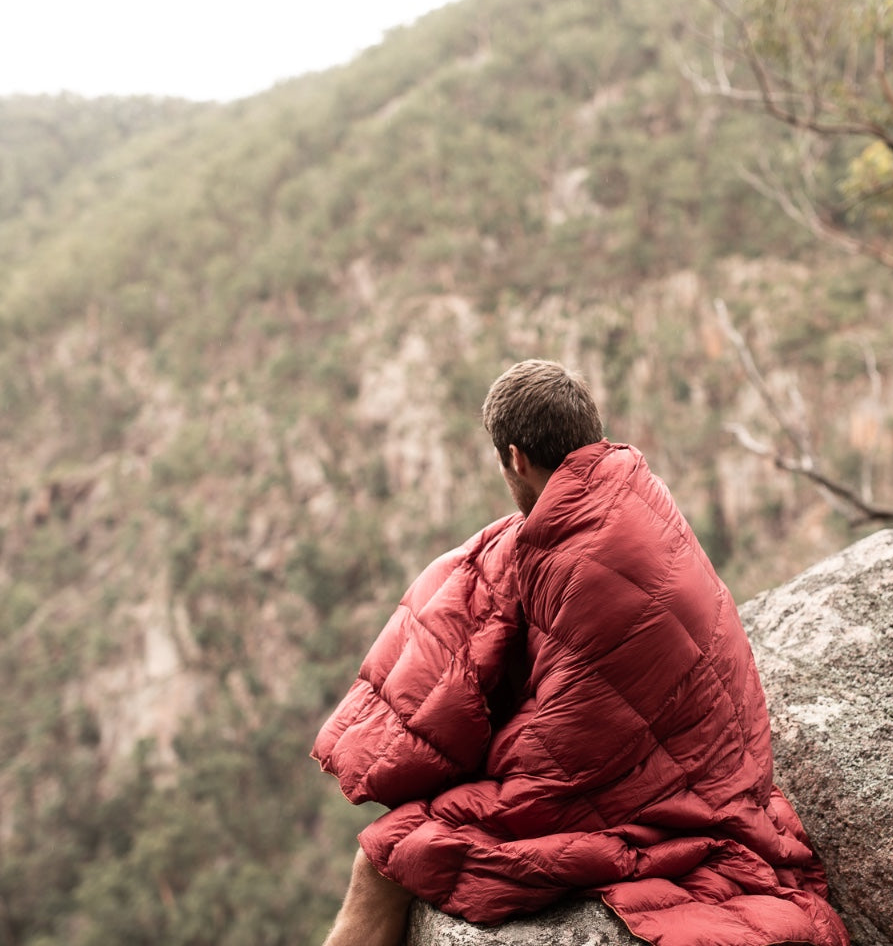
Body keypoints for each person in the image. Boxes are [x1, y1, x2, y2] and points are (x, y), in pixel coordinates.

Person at [313, 360, 848, 946]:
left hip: (674, 793)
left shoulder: (576, 561)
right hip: (708, 762)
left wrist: (463, 783)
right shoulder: (624, 489)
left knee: (391, 852)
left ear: (515, 458)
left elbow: (565, 758)